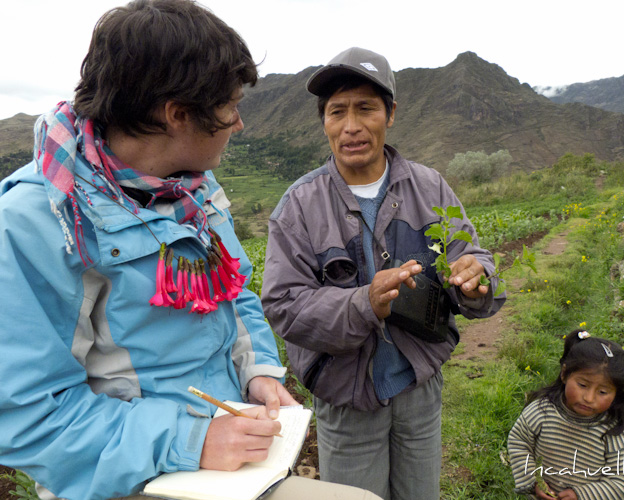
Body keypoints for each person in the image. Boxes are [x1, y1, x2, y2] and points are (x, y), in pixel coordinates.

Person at [0, 3, 380, 500]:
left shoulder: (191, 191)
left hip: (225, 458)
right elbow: (26, 414)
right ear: (177, 115)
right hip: (132, 477)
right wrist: (188, 440)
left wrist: (258, 372)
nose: (238, 123)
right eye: (229, 106)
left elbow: (233, 292)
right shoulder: (40, 220)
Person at [261, 47, 505, 500]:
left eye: (366, 108)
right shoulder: (299, 206)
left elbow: (471, 255)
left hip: (419, 387)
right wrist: (363, 303)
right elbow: (284, 307)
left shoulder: (429, 187)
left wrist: (477, 276)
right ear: (325, 122)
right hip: (347, 399)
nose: (351, 125)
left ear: (389, 114)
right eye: (338, 112)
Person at [507, 329, 624, 499]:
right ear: (564, 374)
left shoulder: (610, 430)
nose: (588, 398)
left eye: (602, 392)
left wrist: (582, 495)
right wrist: (532, 482)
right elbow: (519, 442)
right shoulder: (541, 411)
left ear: (616, 394)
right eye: (582, 385)